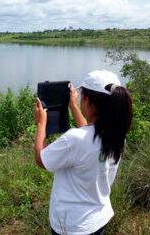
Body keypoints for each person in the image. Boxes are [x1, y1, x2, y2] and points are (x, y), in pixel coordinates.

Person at [33, 70, 133, 235]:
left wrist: (41, 123)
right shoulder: (116, 135)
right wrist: (73, 106)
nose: (80, 100)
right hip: (99, 218)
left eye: (82, 97)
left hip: (72, 225)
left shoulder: (75, 139)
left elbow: (41, 159)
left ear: (88, 101)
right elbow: (88, 132)